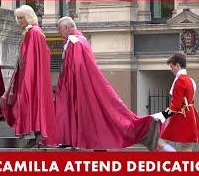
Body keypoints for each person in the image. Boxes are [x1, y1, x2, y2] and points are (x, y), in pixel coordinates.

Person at [55, 17, 159, 150]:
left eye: (60, 29)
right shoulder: (80, 41)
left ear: (68, 28)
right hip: (87, 87)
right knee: (100, 117)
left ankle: (146, 128)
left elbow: (76, 67)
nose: (59, 32)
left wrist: (70, 89)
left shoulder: (75, 42)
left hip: (82, 89)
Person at [0, 5, 58, 147]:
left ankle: (37, 134)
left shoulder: (34, 32)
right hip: (28, 74)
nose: (19, 21)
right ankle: (36, 134)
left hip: (31, 76)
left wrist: (27, 78)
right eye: (18, 18)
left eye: (21, 17)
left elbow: (31, 58)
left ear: (29, 16)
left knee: (31, 101)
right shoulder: (32, 32)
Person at [152, 52, 199, 151]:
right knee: (186, 146)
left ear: (178, 65)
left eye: (172, 67)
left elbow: (176, 105)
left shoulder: (179, 81)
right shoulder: (190, 80)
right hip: (190, 114)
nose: (171, 70)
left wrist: (163, 115)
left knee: (161, 141)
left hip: (181, 115)